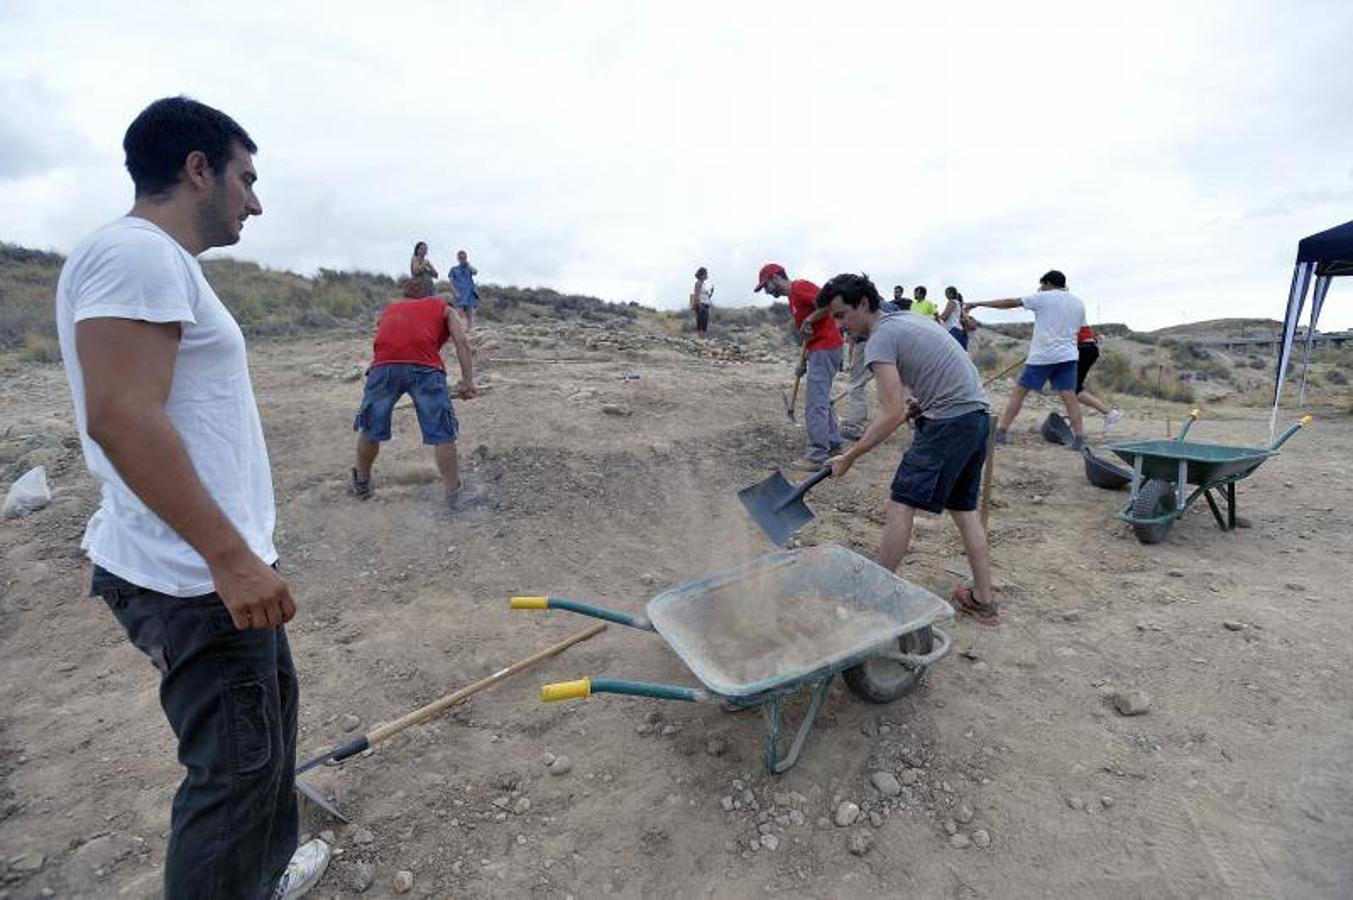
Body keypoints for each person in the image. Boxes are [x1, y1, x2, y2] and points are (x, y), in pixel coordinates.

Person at [54, 96, 328, 899]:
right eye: (245, 178)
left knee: (266, 742)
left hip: (209, 569)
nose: (256, 200)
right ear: (197, 169)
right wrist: (230, 559)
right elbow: (122, 417)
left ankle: (265, 876)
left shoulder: (150, 262)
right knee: (231, 780)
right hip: (195, 579)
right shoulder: (137, 255)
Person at [819, 274, 998, 625]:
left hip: (948, 423)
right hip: (976, 417)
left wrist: (849, 457)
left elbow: (891, 412)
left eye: (841, 315)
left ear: (864, 304)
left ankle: (870, 598)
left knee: (900, 504)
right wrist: (921, 402)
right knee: (963, 510)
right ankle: (983, 600)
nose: (839, 326)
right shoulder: (906, 319)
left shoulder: (880, 340)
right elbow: (934, 373)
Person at [352, 276, 479, 504]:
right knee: (443, 432)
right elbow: (462, 341)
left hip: (384, 368)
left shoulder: (390, 309)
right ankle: (453, 493)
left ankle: (361, 483)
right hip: (425, 369)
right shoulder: (443, 306)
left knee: (370, 426)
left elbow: (385, 339)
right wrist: (468, 382)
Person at [965, 269, 1086, 449]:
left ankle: (1001, 432)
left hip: (1042, 357)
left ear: (1048, 284)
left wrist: (979, 303)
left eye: (1041, 285)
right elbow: (1079, 329)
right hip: (1067, 356)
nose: (1039, 288)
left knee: (1019, 393)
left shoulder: (1043, 297)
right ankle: (1079, 439)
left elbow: (1009, 303)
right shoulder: (1078, 302)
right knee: (1069, 397)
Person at [756, 263, 843, 469]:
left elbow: (830, 304)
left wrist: (810, 319)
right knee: (821, 398)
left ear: (775, 278)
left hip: (826, 346)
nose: (766, 291)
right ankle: (833, 442)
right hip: (819, 349)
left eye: (765, 286)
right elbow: (807, 333)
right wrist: (804, 360)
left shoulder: (800, 287)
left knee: (815, 402)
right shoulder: (792, 298)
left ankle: (816, 456)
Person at [1074, 324, 1123, 432]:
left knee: (1072, 390)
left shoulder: (1063, 310)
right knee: (1073, 389)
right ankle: (1108, 413)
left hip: (1082, 348)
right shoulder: (1073, 309)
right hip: (1089, 347)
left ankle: (1109, 413)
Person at [449, 249, 480, 330]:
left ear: (466, 258)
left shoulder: (469, 268)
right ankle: (459, 331)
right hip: (459, 293)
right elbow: (451, 282)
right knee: (458, 314)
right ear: (458, 259)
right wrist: (454, 292)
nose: (462, 259)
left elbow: (476, 272)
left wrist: (468, 265)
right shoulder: (454, 269)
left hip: (470, 293)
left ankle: (470, 331)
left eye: (464, 258)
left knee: (470, 314)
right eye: (460, 258)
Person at [938, 285, 968, 350]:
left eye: (947, 293)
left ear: (951, 294)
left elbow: (945, 316)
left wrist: (936, 318)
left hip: (952, 329)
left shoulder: (951, 302)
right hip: (958, 329)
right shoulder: (958, 304)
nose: (945, 295)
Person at [691, 266, 713, 337]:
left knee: (704, 324)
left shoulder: (704, 284)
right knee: (701, 323)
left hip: (706, 305)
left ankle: (702, 339)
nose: (707, 275)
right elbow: (696, 294)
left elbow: (707, 297)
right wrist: (699, 305)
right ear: (702, 275)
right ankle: (700, 339)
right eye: (705, 274)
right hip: (701, 305)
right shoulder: (698, 283)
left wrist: (711, 293)